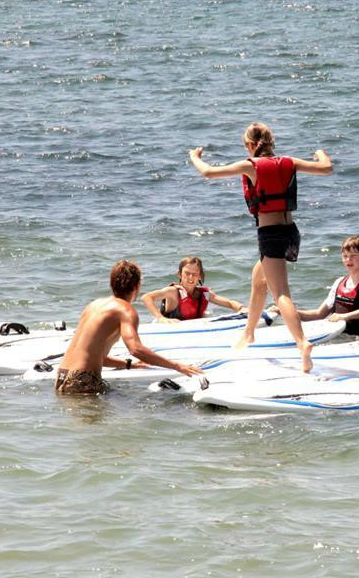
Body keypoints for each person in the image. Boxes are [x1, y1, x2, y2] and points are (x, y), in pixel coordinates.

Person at [189, 122, 333, 372]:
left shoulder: (251, 166)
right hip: (291, 233)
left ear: (249, 145)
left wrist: (194, 157)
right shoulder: (289, 162)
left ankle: (302, 343)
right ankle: (249, 333)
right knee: (258, 281)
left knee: (281, 294)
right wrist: (320, 153)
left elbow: (208, 173)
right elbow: (326, 168)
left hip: (271, 236)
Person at [55, 260, 204, 394]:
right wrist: (178, 366)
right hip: (82, 379)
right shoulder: (125, 310)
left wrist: (129, 364)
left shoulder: (93, 306)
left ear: (111, 283)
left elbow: (91, 355)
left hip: (61, 375)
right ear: (137, 287)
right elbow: (136, 349)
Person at [297, 235, 359, 337]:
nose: (348, 259)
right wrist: (287, 311)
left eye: (353, 255)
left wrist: (345, 316)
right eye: (345, 256)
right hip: (341, 340)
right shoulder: (339, 282)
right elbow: (319, 314)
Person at [141, 255, 247, 323]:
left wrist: (241, 308)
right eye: (187, 273)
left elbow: (228, 302)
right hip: (173, 334)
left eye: (195, 274)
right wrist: (161, 318)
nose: (190, 277)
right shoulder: (173, 292)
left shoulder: (204, 294)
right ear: (179, 274)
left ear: (200, 276)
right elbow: (146, 297)